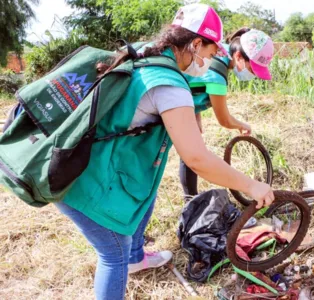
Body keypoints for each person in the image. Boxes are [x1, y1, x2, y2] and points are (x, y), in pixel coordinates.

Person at [54, 4, 274, 300]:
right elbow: (196, 159)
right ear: (196, 44)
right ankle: (128, 259)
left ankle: (136, 257)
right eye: (209, 53)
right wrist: (250, 184)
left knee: (147, 195)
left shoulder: (147, 52)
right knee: (112, 254)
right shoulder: (169, 82)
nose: (209, 61)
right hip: (84, 179)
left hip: (91, 160)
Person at [179, 27, 274, 199]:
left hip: (178, 104)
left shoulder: (219, 52)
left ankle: (190, 198)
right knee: (192, 153)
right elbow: (224, 120)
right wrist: (241, 125)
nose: (253, 75)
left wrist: (195, 114)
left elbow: (190, 84)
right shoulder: (216, 74)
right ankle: (190, 200)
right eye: (252, 70)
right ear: (238, 56)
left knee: (190, 148)